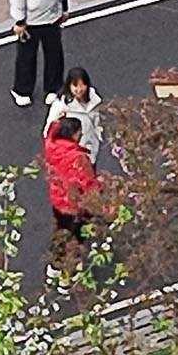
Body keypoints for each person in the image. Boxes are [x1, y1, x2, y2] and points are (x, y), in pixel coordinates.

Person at [44, 113, 103, 270]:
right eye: (79, 132)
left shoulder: (52, 145)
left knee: (61, 232)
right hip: (74, 204)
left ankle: (54, 268)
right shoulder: (78, 157)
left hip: (58, 199)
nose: (80, 135)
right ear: (72, 134)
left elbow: (51, 129)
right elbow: (88, 184)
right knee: (76, 235)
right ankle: (70, 270)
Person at [43, 67, 101, 153]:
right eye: (75, 86)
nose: (79, 89)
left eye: (82, 85)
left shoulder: (93, 99)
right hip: (72, 147)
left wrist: (98, 134)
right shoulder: (61, 104)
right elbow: (50, 127)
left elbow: (97, 119)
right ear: (69, 85)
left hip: (91, 143)